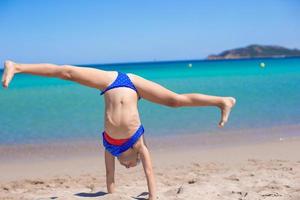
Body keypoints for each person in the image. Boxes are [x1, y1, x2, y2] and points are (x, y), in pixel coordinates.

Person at [1, 60, 236, 200]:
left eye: (128, 167)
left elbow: (109, 178)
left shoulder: (109, 146)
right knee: (67, 72)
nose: (129, 166)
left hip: (112, 84)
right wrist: (153, 197)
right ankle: (18, 66)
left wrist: (111, 194)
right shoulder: (138, 144)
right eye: (132, 165)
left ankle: (221, 101)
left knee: (175, 100)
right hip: (128, 82)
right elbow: (150, 172)